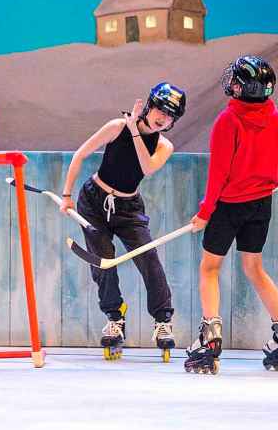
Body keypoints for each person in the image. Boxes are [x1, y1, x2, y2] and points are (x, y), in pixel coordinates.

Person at [185, 55, 278, 374]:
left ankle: (210, 340)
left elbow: (218, 174)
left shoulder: (228, 121)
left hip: (228, 206)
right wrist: (262, 186)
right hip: (261, 205)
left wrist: (205, 212)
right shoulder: (275, 117)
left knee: (209, 268)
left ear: (242, 88)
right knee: (254, 268)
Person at [59, 83, 185, 360]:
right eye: (161, 110)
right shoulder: (116, 126)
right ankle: (115, 316)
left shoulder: (164, 145)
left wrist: (135, 131)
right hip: (93, 201)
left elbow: (146, 167)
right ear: (150, 106)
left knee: (149, 259)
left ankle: (162, 320)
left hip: (128, 209)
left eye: (170, 115)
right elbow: (81, 154)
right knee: (102, 262)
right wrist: (66, 195)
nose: (163, 118)